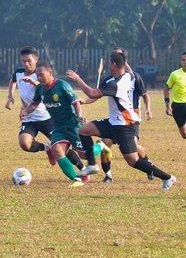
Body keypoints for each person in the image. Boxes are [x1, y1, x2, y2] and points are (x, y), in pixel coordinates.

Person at [67, 51, 177, 192]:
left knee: (133, 161)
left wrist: (77, 78)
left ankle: (167, 177)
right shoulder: (128, 76)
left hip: (124, 125)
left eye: (109, 62)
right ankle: (92, 165)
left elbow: (93, 93)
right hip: (113, 121)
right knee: (84, 130)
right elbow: (105, 88)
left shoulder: (115, 84)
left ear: (113, 64)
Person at [5, 46, 86, 174]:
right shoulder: (18, 72)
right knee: (24, 143)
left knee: (62, 148)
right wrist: (10, 96)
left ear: (36, 59)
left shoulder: (41, 75)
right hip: (30, 118)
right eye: (23, 61)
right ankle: (46, 147)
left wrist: (33, 82)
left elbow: (47, 88)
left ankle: (83, 169)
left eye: (29, 61)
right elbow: (13, 81)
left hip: (47, 117)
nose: (26, 63)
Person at [79, 47, 154, 184]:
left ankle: (148, 165)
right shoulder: (109, 78)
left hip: (131, 119)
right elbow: (97, 94)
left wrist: (148, 108)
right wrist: (85, 101)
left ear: (124, 61)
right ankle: (108, 175)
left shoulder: (134, 77)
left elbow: (145, 95)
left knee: (135, 148)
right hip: (116, 120)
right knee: (104, 144)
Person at [21, 61, 98, 187]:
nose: (39, 78)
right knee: (57, 150)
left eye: (41, 75)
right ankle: (76, 180)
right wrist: (26, 111)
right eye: (37, 76)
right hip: (58, 127)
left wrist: (79, 116)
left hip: (73, 125)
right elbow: (34, 103)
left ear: (50, 73)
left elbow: (76, 103)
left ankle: (100, 147)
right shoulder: (40, 88)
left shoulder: (62, 86)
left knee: (84, 154)